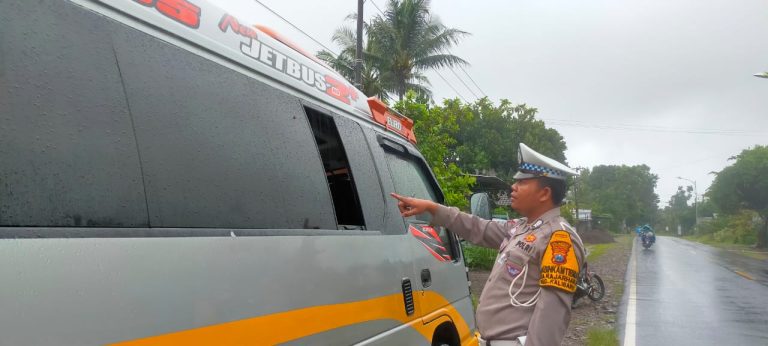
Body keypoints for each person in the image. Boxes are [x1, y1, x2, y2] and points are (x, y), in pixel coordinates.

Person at [391, 143, 585, 346]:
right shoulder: (522, 228)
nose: (513, 187)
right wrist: (432, 208)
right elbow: (478, 227)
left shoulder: (559, 239)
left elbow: (551, 319)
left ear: (544, 193)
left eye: (523, 182)